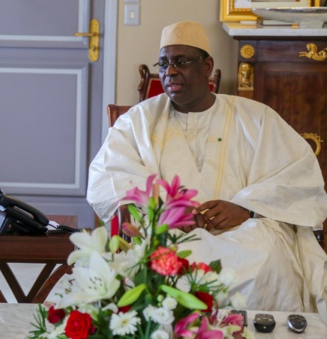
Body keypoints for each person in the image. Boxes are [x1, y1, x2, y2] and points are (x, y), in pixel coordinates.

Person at [87, 21, 327, 319]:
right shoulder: (138, 121)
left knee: (267, 254)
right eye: (163, 64)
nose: (169, 71)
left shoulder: (255, 118)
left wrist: (246, 207)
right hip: (172, 231)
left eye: (181, 62)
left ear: (207, 66)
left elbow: (297, 176)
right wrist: (166, 212)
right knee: (172, 257)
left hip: (245, 232)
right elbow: (109, 173)